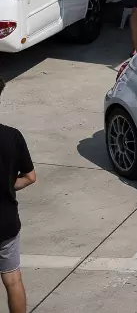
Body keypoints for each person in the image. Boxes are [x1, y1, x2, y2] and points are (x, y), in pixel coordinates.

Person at [0, 78, 37, 313]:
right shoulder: (12, 137)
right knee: (13, 279)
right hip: (6, 222)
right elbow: (31, 176)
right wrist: (8, 185)